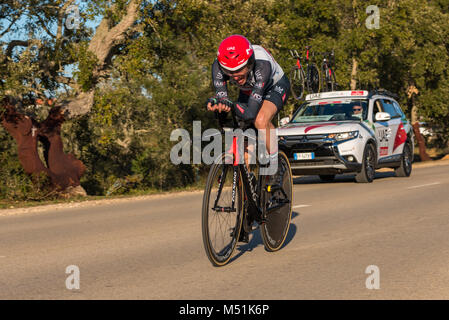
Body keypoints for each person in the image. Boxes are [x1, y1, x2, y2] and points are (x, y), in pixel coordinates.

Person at [206, 34, 290, 175]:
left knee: (260, 120)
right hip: (248, 91)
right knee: (240, 135)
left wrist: (231, 105)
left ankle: (276, 166)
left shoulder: (262, 65)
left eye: (239, 70)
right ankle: (247, 186)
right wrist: (218, 105)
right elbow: (223, 98)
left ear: (249, 63)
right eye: (229, 72)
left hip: (274, 86)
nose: (235, 76)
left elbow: (250, 113)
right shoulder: (218, 66)